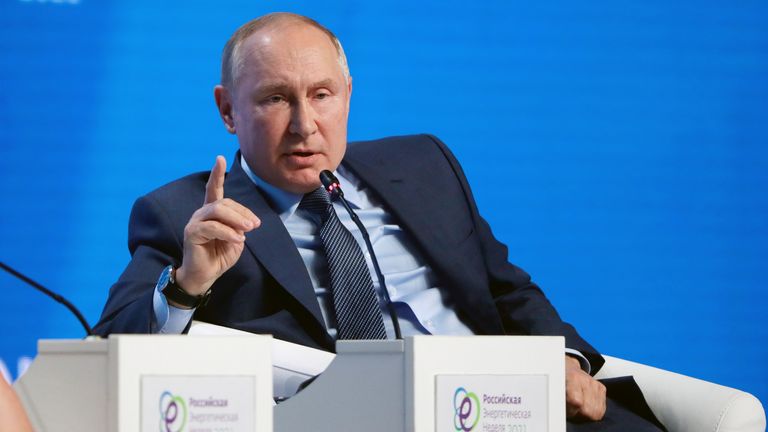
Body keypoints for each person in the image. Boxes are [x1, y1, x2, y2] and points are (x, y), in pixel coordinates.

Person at [94, 12, 664, 431]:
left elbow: (506, 288)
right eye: (274, 99)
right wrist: (188, 286)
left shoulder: (423, 164)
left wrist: (562, 362)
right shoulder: (184, 214)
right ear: (227, 110)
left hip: (499, 405)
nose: (304, 125)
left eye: (322, 95)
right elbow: (106, 356)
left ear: (348, 95)